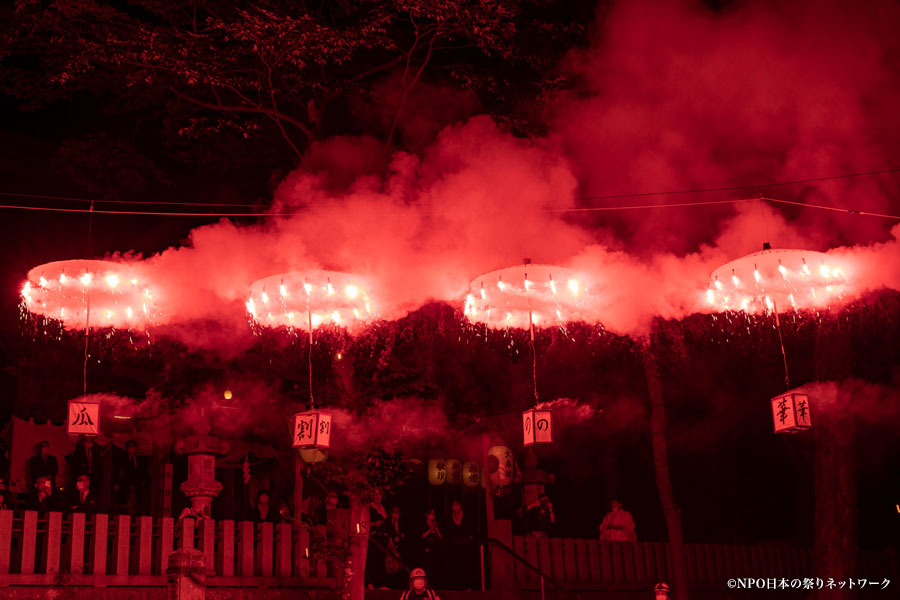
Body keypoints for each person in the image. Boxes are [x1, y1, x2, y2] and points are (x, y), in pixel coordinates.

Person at [444, 500, 477, 589]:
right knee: (455, 567)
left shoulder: (467, 516)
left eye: (457, 504)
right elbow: (447, 532)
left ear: (460, 505)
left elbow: (472, 529)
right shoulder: (449, 517)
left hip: (466, 546)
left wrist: (470, 537)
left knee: (467, 566)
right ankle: (457, 586)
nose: (455, 506)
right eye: (453, 504)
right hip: (454, 546)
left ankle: (468, 586)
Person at [115, 440, 148, 514]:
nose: (131, 449)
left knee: (137, 501)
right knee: (124, 501)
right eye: (130, 447)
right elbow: (120, 471)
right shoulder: (123, 458)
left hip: (136, 484)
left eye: (133, 447)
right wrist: (117, 482)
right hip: (125, 483)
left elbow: (141, 471)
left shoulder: (140, 459)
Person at [366, 489, 389, 589]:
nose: (377, 496)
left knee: (381, 560)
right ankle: (370, 582)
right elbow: (363, 523)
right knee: (372, 560)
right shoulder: (368, 507)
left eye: (379, 494)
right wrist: (374, 524)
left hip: (382, 538)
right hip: (372, 537)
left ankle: (381, 583)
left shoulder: (384, 508)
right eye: (375, 494)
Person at [419, 509, 443, 587]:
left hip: (435, 551)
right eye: (430, 513)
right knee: (426, 570)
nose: (432, 515)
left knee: (435, 570)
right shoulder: (423, 524)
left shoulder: (436, 524)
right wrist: (430, 529)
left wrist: (436, 529)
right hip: (425, 551)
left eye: (433, 514)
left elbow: (441, 537)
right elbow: (422, 536)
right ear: (426, 514)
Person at [385, 505, 407, 588]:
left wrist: (400, 535)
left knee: (399, 568)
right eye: (394, 512)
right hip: (390, 548)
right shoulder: (388, 522)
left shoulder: (402, 523)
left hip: (400, 548)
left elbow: (405, 535)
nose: (396, 514)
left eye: (397, 512)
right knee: (391, 568)